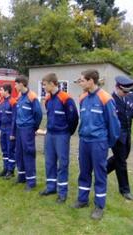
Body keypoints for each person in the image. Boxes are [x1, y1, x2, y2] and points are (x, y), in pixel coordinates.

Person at [72, 69, 120, 220]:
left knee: (100, 174)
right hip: (84, 141)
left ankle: (99, 206)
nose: (80, 83)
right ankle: (82, 199)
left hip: (99, 142)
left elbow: (114, 125)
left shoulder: (106, 98)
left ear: (91, 81)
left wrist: (107, 143)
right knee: (84, 172)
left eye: (82, 80)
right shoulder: (83, 98)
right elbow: (84, 120)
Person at [39, 73, 79, 203]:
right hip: (50, 134)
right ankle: (51, 187)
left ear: (52, 83)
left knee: (62, 163)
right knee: (49, 162)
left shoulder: (66, 98)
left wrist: (67, 133)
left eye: (45, 85)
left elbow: (73, 118)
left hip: (62, 135)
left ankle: (62, 192)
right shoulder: (48, 99)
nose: (44, 87)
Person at [14, 75, 43, 191]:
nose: (15, 86)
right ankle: (21, 176)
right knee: (19, 153)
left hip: (28, 129)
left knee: (28, 153)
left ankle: (31, 181)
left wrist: (33, 128)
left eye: (16, 84)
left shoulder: (32, 97)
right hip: (19, 128)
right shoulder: (20, 96)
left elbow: (38, 114)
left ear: (21, 84)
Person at [107, 75, 133, 200]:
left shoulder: (130, 97)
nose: (126, 93)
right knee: (121, 162)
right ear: (117, 87)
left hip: (127, 134)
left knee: (120, 158)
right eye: (124, 91)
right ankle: (125, 190)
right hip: (116, 135)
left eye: (128, 91)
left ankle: (102, 170)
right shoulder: (110, 100)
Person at [0, 83, 17, 179]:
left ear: (7, 91)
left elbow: (14, 119)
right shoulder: (2, 102)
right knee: (4, 150)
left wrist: (13, 132)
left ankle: (11, 171)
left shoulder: (13, 102)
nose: (0, 91)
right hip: (3, 129)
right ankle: (5, 168)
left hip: (9, 130)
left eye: (1, 90)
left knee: (10, 150)